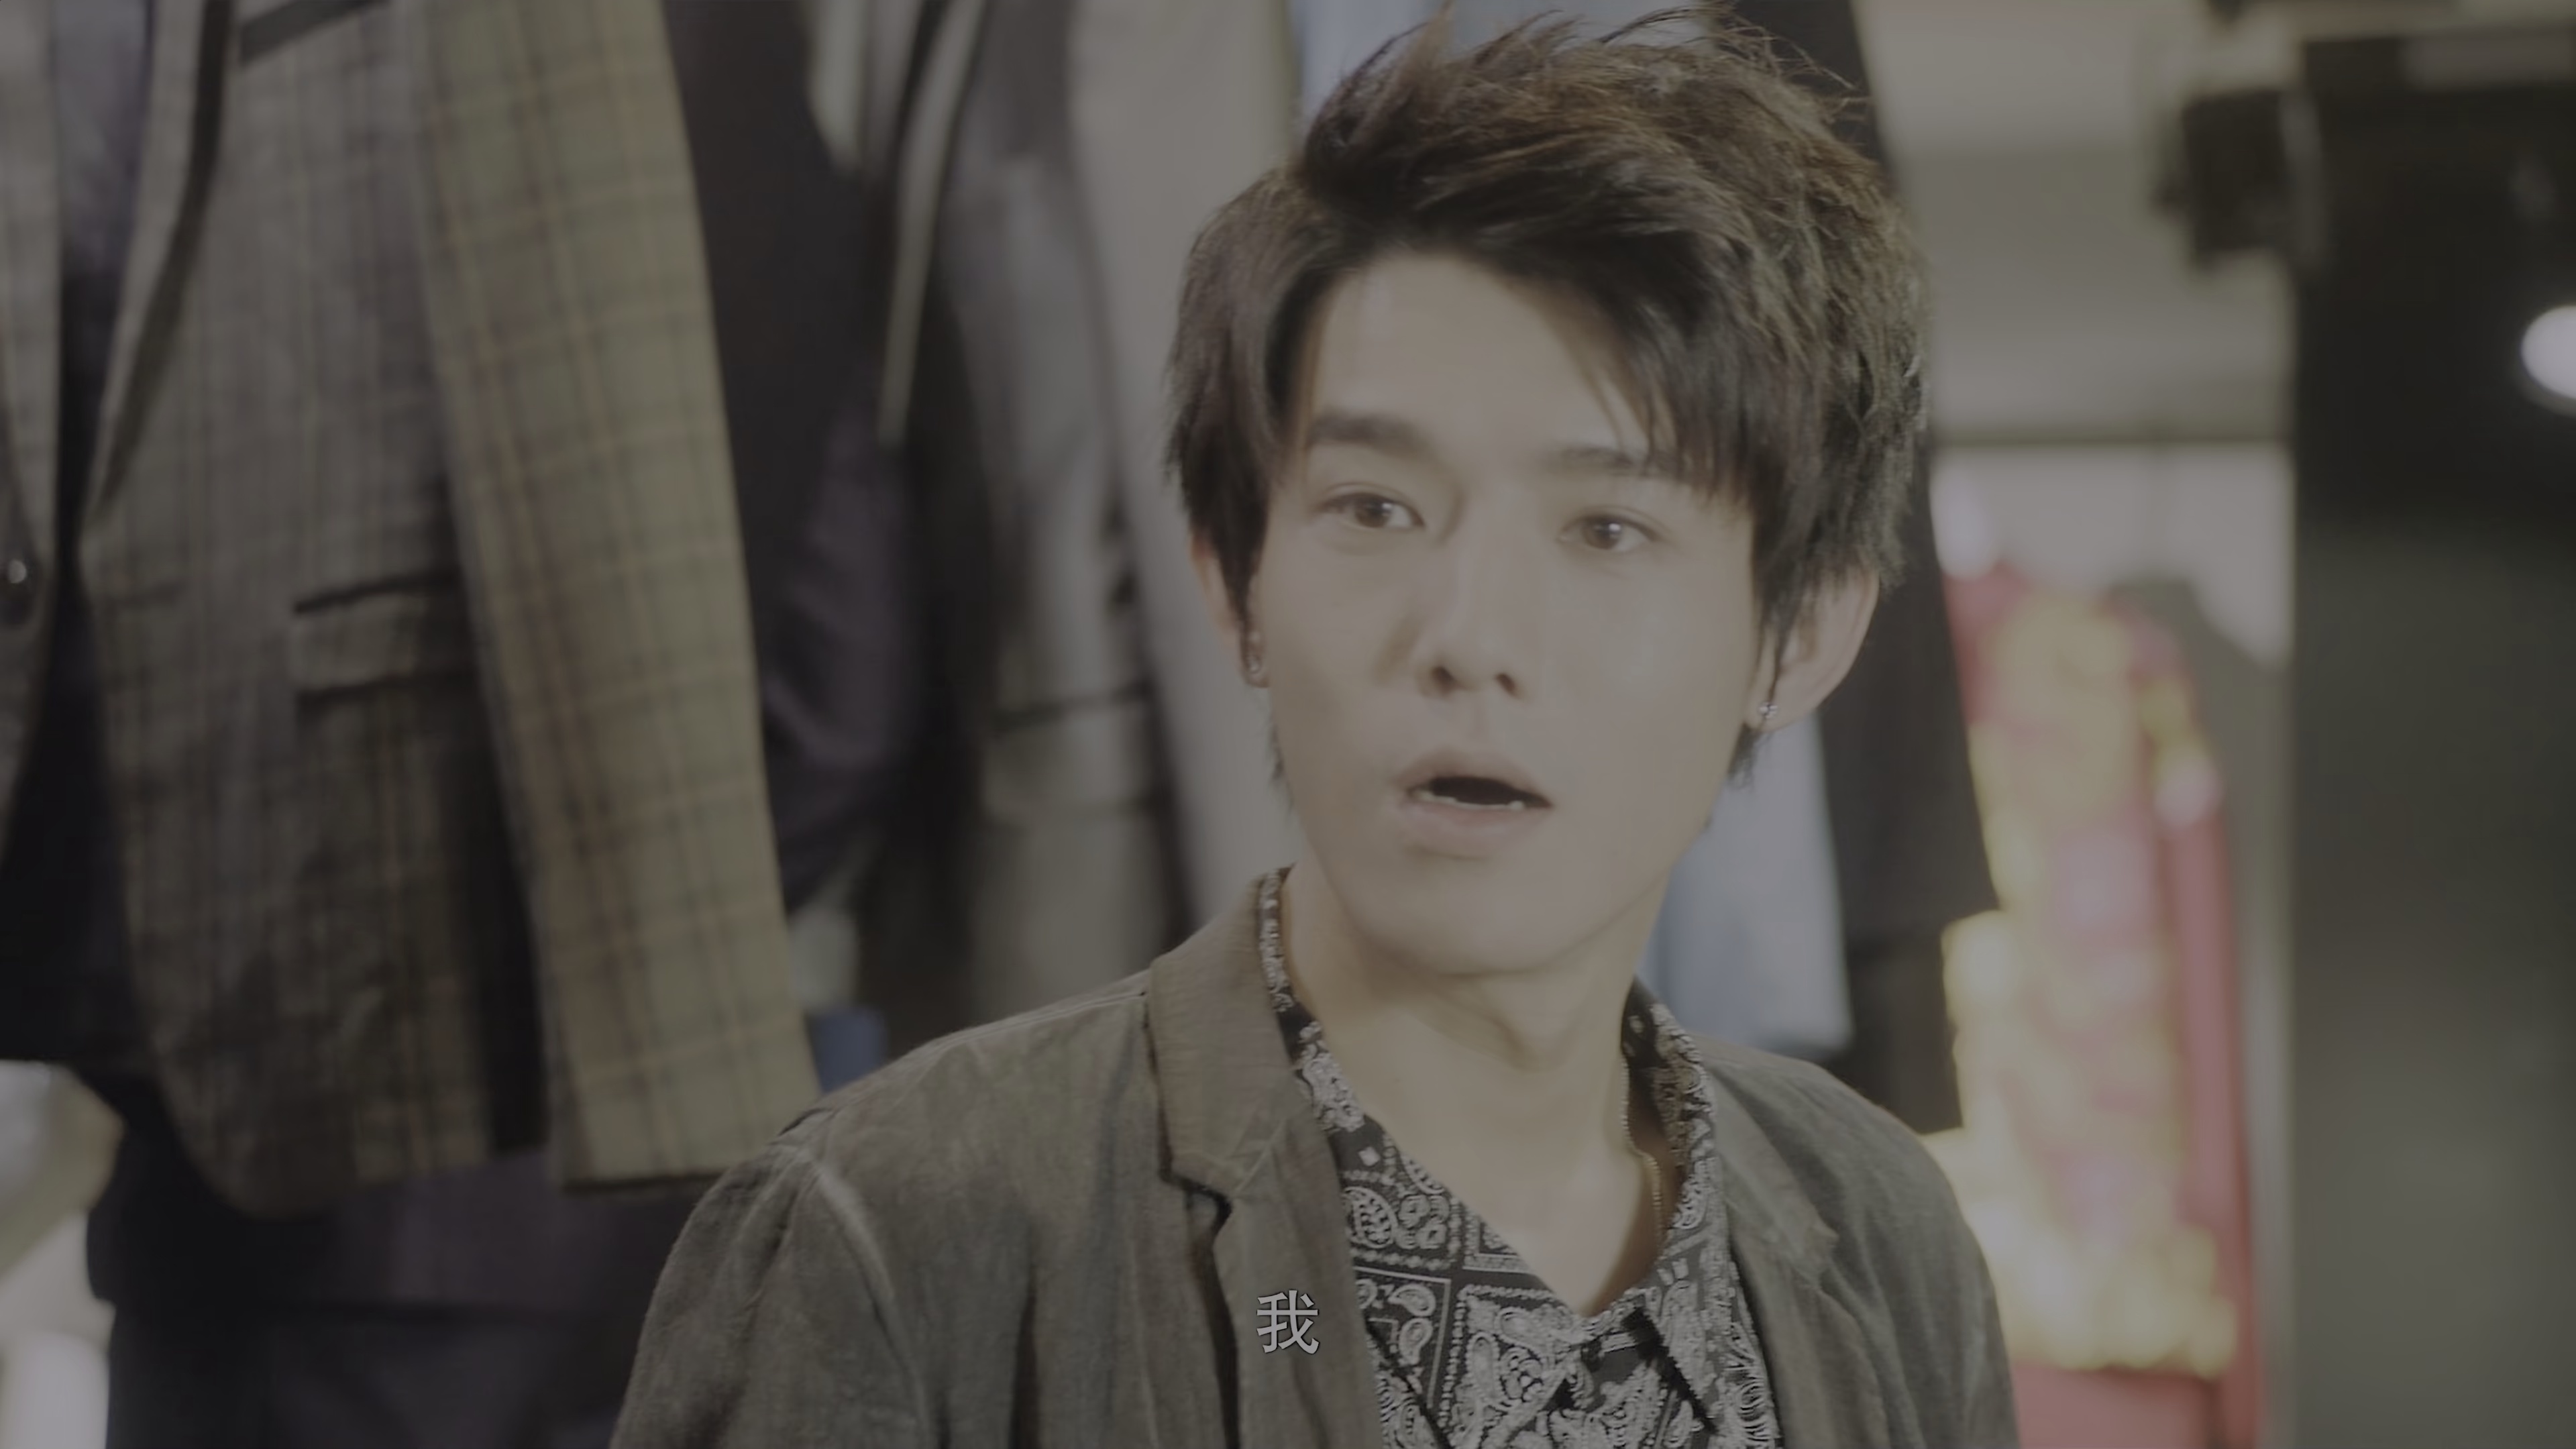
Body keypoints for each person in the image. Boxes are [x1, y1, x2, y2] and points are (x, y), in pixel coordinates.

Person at [614, 8, 2017, 1447]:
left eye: (1606, 528)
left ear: (1801, 636)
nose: (1467, 636)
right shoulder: (908, 1223)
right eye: (1375, 510)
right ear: (1235, 588)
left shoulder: (1874, 1231)